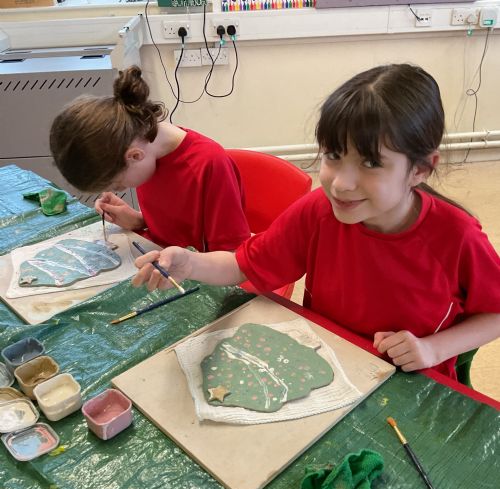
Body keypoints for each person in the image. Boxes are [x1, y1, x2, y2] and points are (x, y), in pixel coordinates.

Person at [131, 64, 500, 380]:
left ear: (421, 169)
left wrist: (434, 348)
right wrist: (189, 263)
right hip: (327, 368)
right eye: (333, 155)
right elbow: (242, 264)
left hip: (409, 384)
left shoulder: (457, 236)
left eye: (371, 163)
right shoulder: (318, 211)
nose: (340, 184)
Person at [49, 66, 250, 252]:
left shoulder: (208, 164)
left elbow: (232, 256)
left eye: (118, 184)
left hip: (199, 269)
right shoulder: (145, 154)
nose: (119, 189)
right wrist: (139, 221)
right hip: (159, 254)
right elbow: (179, 224)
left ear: (134, 156)